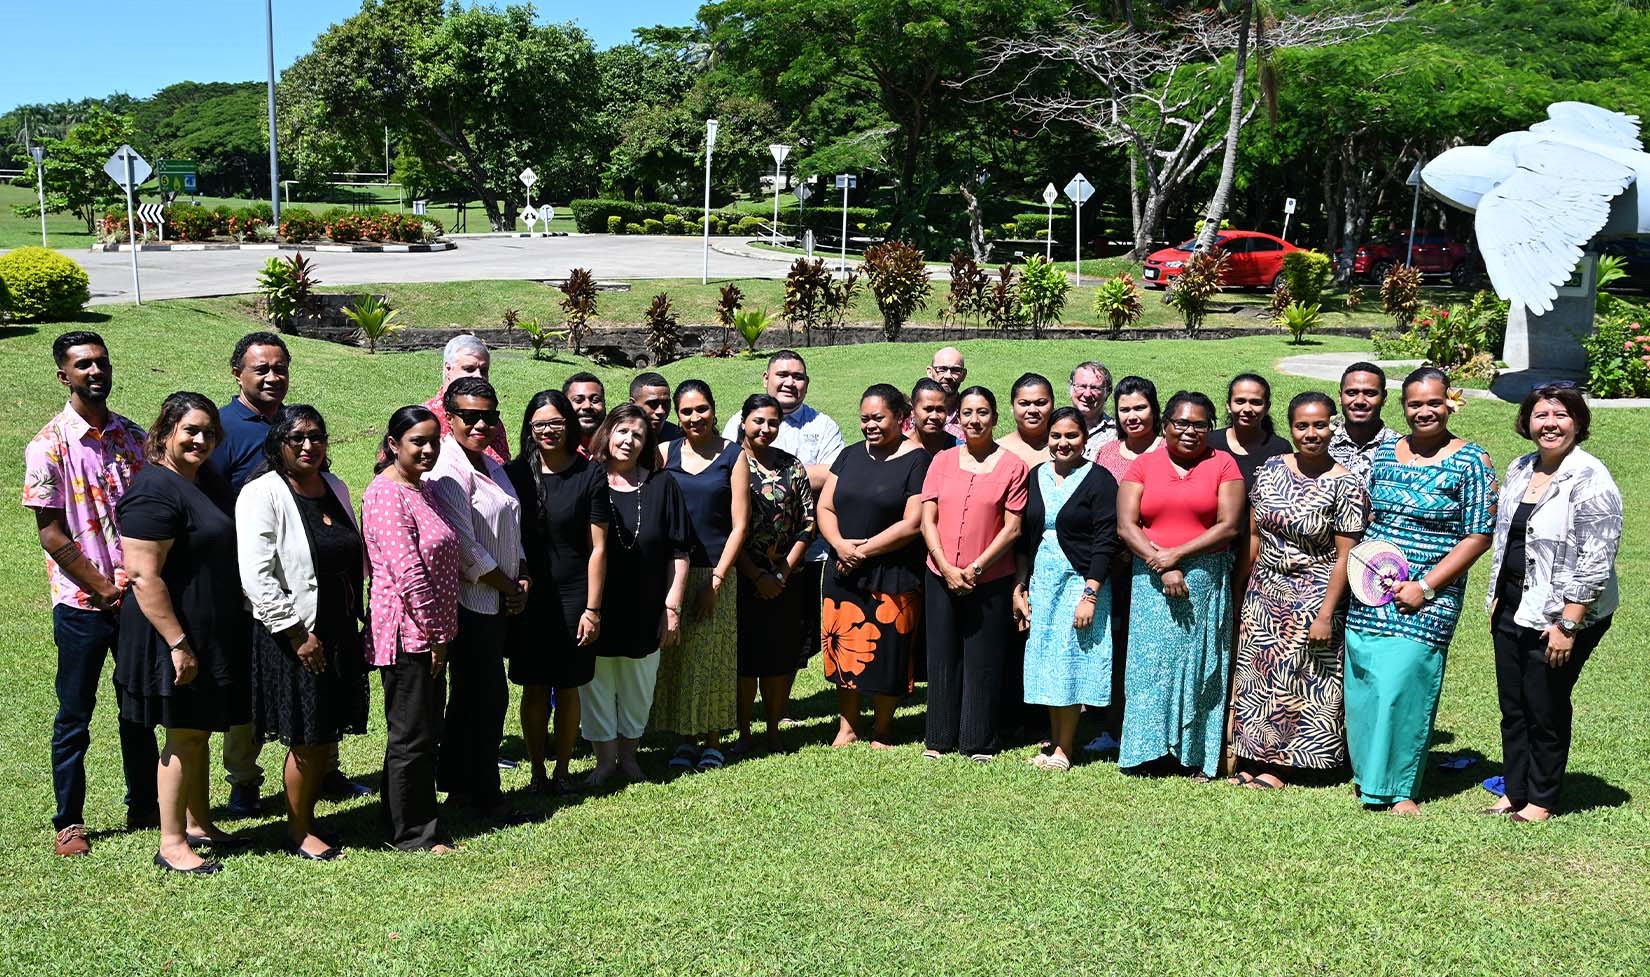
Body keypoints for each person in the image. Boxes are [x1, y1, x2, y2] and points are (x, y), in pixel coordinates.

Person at [24, 331, 158, 857]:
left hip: (136, 600)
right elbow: (52, 533)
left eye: (101, 362)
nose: (95, 372)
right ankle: (70, 820)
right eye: (83, 365)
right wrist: (102, 587)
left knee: (137, 708)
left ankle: (144, 802)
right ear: (64, 376)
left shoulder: (133, 439)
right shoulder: (48, 444)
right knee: (74, 714)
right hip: (81, 604)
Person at [1344, 367, 1496, 815]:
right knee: (1367, 683)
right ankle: (1369, 776)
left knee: (1404, 683)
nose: (1424, 411)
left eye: (1433, 402)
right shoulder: (1387, 454)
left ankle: (1400, 788)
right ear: (1403, 406)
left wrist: (1427, 587)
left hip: (1428, 595)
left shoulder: (1472, 461)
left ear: (1450, 402)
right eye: (1415, 403)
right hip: (1373, 589)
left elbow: (1478, 535)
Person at [115, 393, 249, 874]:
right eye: (190, 430)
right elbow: (144, 576)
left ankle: (199, 822)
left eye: (209, 432)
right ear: (165, 431)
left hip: (205, 628)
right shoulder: (153, 490)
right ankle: (171, 843)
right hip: (169, 632)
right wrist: (178, 643)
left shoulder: (203, 481)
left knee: (198, 729)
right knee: (184, 736)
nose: (200, 439)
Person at [236, 405, 367, 859]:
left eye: (317, 436)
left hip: (339, 628)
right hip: (295, 634)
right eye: (298, 439)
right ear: (279, 444)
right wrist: (295, 634)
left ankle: (311, 817)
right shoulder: (262, 494)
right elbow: (256, 575)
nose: (309, 445)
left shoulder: (334, 487)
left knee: (325, 732)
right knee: (307, 736)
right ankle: (298, 830)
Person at [1484, 384, 1620, 822]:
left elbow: (1597, 558)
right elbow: (1507, 536)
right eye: (1541, 415)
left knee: (1545, 704)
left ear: (1577, 423)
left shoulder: (1590, 477)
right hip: (1512, 602)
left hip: (1563, 612)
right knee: (1514, 704)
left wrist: (1569, 623)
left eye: (1561, 415)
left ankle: (1541, 799)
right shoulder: (1522, 468)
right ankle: (1514, 788)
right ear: (1527, 423)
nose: (1550, 424)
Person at [1229, 393, 1366, 789]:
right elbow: (1254, 534)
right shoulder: (1271, 468)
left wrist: (1326, 613)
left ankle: (1283, 765)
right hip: (1264, 588)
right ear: (1290, 428)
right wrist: (1243, 591)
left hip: (1314, 591)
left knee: (1298, 678)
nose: (1312, 434)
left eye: (1320, 425)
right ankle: (1253, 754)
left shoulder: (1345, 483)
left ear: (1332, 427)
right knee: (1258, 676)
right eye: (1302, 426)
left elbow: (1346, 556)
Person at [1115, 391, 1245, 780]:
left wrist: (1177, 555)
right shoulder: (1143, 465)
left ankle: (1195, 754)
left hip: (1204, 577)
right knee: (1149, 667)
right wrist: (1162, 563)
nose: (1190, 431)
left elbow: (1229, 525)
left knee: (1202, 665)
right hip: (1151, 578)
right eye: (1182, 424)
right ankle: (1148, 752)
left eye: (1200, 424)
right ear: (1166, 425)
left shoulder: (1223, 463)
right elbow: (1126, 525)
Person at [424, 376, 528, 817]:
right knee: (479, 698)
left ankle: (468, 786)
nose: (481, 423)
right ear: (449, 418)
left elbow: (511, 524)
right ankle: (478, 792)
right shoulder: (448, 469)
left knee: (484, 697)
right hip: (472, 603)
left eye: (489, 415)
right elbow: (467, 550)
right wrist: (510, 586)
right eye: (470, 416)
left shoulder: (490, 462)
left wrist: (523, 575)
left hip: (500, 599)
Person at [361, 406, 460, 853]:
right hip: (408, 633)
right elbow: (409, 574)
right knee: (413, 735)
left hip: (430, 631)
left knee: (419, 730)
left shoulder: (421, 490)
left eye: (433, 440)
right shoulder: (386, 494)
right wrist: (437, 634)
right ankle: (415, 833)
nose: (427, 448)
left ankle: (398, 813)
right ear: (393, 445)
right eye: (417, 441)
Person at [503, 390, 608, 795]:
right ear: (530, 428)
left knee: (568, 686)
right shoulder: (512, 475)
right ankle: (536, 772)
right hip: (528, 596)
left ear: (568, 424)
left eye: (556, 423)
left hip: (574, 594)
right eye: (540, 424)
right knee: (532, 686)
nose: (548, 431)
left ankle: (562, 771)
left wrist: (593, 608)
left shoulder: (589, 474)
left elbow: (598, 547)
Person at [817, 384, 930, 747]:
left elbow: (912, 523)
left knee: (889, 652)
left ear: (901, 417)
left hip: (892, 570)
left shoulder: (918, 460)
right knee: (843, 648)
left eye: (879, 418)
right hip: (843, 570)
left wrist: (861, 551)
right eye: (864, 418)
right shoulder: (849, 455)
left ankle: (882, 727)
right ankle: (847, 727)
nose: (870, 425)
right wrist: (838, 545)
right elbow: (825, 507)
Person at [721, 350, 843, 684]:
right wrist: (799, 474)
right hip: (746, 553)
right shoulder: (738, 419)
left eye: (798, 376)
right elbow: (729, 471)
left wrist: (791, 473)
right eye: (782, 375)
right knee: (746, 634)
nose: (790, 382)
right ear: (766, 377)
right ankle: (745, 715)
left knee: (792, 634)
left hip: (804, 551)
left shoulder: (822, 424)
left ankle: (780, 708)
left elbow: (833, 475)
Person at [919, 386, 1028, 761]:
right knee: (942, 655)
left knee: (983, 657)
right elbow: (927, 519)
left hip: (991, 578)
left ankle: (979, 739)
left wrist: (976, 567)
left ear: (995, 418)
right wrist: (946, 567)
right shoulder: (942, 461)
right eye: (966, 413)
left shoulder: (1013, 465)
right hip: (940, 574)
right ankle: (939, 738)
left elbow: (1012, 528)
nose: (974, 420)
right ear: (957, 418)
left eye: (982, 412)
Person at [211, 332, 294, 818]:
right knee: (247, 685)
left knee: (311, 669)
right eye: (261, 369)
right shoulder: (222, 428)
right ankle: (244, 779)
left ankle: (323, 764)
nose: (272, 377)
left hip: (302, 575)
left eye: (279, 367)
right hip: (246, 582)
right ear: (237, 374)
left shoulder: (294, 423)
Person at [586, 404, 691, 786]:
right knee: (596, 684)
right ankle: (603, 762)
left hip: (647, 606)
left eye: (638, 435)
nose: (629, 441)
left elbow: (679, 552)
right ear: (607, 434)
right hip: (596, 605)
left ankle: (629, 759)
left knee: (638, 684)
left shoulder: (663, 485)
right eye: (622, 431)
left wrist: (671, 606)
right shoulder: (589, 480)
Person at [1013, 407, 1118, 772]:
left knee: (1072, 659)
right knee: (1048, 659)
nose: (1063, 443)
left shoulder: (1100, 480)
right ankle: (1056, 742)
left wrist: (1090, 593)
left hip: (1080, 583)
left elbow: (1107, 540)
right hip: (1044, 582)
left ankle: (1066, 749)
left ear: (1085, 440)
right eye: (1056, 436)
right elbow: (1025, 537)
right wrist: (1020, 586)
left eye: (1071, 435)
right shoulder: (1035, 476)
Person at [655, 381, 748, 772]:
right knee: (676, 656)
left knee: (713, 657)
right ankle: (684, 738)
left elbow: (739, 525)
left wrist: (717, 581)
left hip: (716, 571)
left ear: (714, 409)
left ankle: (712, 739)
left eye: (702, 409)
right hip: (671, 571)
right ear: (678, 415)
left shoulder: (733, 455)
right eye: (687, 412)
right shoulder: (664, 452)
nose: (695, 418)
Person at [732, 394, 818, 754]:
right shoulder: (730, 463)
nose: (766, 429)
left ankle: (772, 730)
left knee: (779, 657)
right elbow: (727, 528)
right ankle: (744, 733)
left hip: (786, 580)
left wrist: (780, 574)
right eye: (758, 421)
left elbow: (808, 523)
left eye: (773, 422)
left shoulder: (791, 465)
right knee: (745, 660)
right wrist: (756, 576)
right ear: (744, 422)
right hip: (742, 577)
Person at [1090, 375, 1163, 751]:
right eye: (1125, 410)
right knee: (1117, 647)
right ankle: (1113, 727)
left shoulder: (1168, 450)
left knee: (1150, 650)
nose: (1133, 416)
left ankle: (1150, 727)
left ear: (1155, 409)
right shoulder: (1107, 453)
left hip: (1156, 566)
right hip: (1115, 569)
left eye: (1140, 408)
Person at [424, 335, 510, 464]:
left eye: (483, 370)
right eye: (469, 369)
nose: (478, 377)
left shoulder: (491, 420)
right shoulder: (423, 419)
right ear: (448, 369)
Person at [1212, 373, 1292, 487]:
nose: (1247, 409)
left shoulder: (1280, 449)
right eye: (1240, 401)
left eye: (1256, 402)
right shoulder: (1210, 443)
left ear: (1267, 407)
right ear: (1228, 405)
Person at [1329, 361, 1399, 486]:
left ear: (1384, 397)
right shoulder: (1324, 444)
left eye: (1370, 393)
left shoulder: (1399, 448)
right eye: (1351, 393)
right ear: (1340, 397)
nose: (1360, 401)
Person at [902, 347, 966, 438]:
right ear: (930, 372)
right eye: (942, 369)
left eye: (955, 370)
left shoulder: (969, 414)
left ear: (963, 375)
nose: (948, 376)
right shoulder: (907, 414)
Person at [999, 372, 1055, 467]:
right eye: (1024, 404)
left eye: (1040, 403)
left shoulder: (1066, 447)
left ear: (1053, 405)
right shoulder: (998, 450)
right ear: (1012, 406)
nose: (1032, 410)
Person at [1069, 361, 1119, 458]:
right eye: (1081, 386)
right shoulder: (1054, 426)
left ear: (1107, 392)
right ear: (1071, 388)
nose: (1087, 394)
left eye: (1095, 388)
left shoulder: (1118, 433)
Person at [908, 378, 959, 455]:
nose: (934, 416)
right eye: (928, 409)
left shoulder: (957, 448)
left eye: (940, 409)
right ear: (912, 410)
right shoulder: (896, 447)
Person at [630, 371, 683, 444]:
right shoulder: (618, 438)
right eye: (652, 403)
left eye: (666, 403)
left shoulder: (679, 439)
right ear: (633, 404)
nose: (661, 411)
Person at [563, 373, 607, 456]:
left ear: (604, 404)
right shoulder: (555, 450)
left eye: (595, 400)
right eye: (578, 400)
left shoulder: (615, 449)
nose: (587, 406)